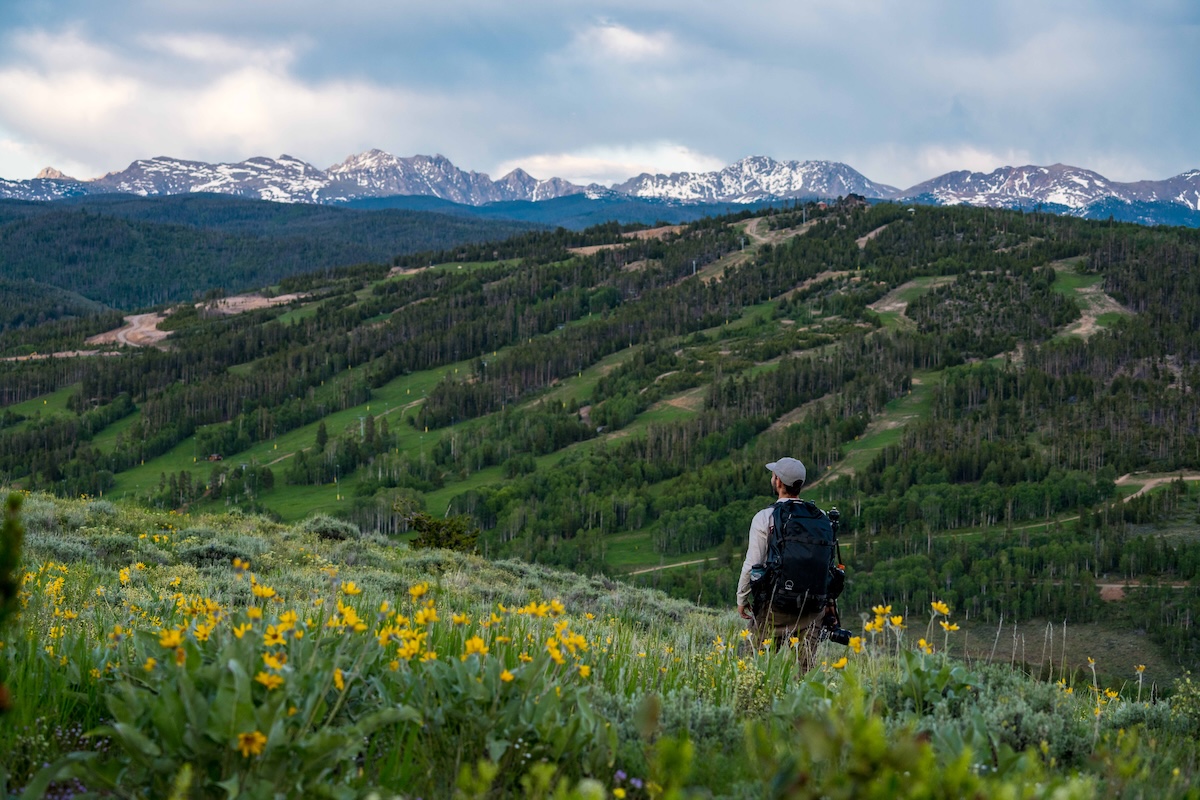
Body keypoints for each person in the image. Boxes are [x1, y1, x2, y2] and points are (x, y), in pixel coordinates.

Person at [736, 457, 825, 670]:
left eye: (774, 474)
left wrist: (742, 597)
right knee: (805, 674)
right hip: (812, 607)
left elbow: (752, 563)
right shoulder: (820, 517)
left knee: (754, 668)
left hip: (774, 606)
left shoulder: (765, 517)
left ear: (778, 482)